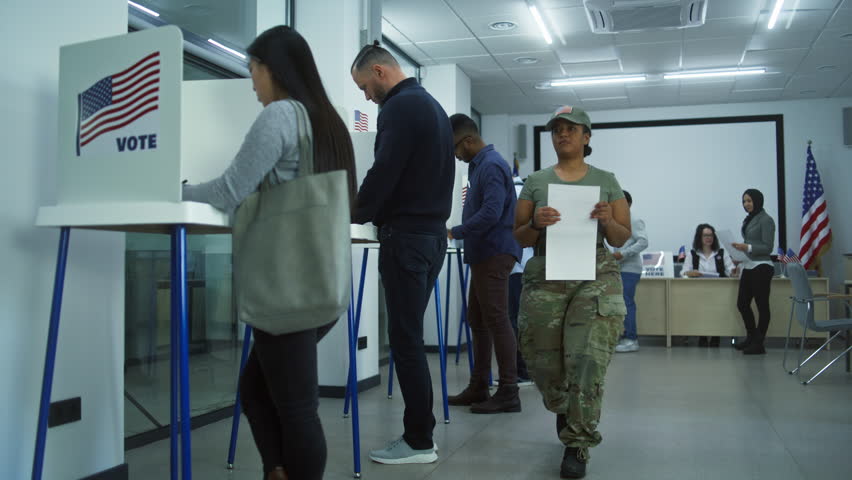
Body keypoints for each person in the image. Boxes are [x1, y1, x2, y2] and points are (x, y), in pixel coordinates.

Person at [181, 26, 356, 480]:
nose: (252, 83)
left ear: (270, 68)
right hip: (323, 283)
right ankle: (276, 471)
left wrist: (179, 190)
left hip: (287, 288)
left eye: (252, 71)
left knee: (296, 406)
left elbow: (228, 190)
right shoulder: (328, 122)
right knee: (257, 390)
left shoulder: (281, 116)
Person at [349, 42, 454, 464]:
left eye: (363, 86)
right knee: (410, 337)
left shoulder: (398, 108)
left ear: (379, 71)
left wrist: (353, 213)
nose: (365, 96)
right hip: (431, 238)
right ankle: (419, 436)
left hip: (407, 238)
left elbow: (385, 170)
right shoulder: (431, 106)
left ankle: (418, 441)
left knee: (406, 341)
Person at [514, 105, 631, 479]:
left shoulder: (606, 180)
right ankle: (566, 407)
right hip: (547, 270)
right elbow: (518, 235)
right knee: (544, 362)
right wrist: (535, 222)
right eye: (557, 129)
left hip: (595, 273)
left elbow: (620, 236)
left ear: (586, 136)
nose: (563, 134)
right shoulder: (536, 181)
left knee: (586, 358)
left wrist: (607, 219)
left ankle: (578, 442)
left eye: (571, 128)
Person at [445, 113, 522, 413]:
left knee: (497, 319)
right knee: (477, 319)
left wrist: (456, 231)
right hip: (483, 253)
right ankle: (479, 385)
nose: (454, 154)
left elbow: (491, 213)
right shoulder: (480, 166)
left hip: (494, 252)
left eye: (454, 147)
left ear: (468, 140)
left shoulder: (490, 166)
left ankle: (508, 390)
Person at [731, 189, 776, 355]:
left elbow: (767, 247)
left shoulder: (766, 220)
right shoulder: (749, 219)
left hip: (762, 267)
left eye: (749, 201)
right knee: (742, 303)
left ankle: (759, 342)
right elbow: (750, 244)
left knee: (762, 306)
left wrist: (747, 247)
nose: (746, 204)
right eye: (744, 201)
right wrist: (740, 256)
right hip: (749, 266)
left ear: (758, 200)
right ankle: (751, 337)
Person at [680, 223, 735, 347]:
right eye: (705, 235)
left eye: (711, 235)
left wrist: (734, 272)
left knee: (717, 310)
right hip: (698, 293)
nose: (708, 238)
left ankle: (716, 335)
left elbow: (730, 270)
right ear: (699, 237)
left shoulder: (721, 253)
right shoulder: (692, 254)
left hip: (719, 292)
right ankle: (702, 335)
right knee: (700, 309)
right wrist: (690, 273)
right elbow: (683, 272)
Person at [611, 190, 648, 353]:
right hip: (618, 268)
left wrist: (623, 254)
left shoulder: (634, 219)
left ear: (628, 204)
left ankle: (631, 339)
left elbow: (644, 242)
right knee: (620, 304)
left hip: (630, 269)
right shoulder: (616, 220)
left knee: (627, 303)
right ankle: (625, 336)